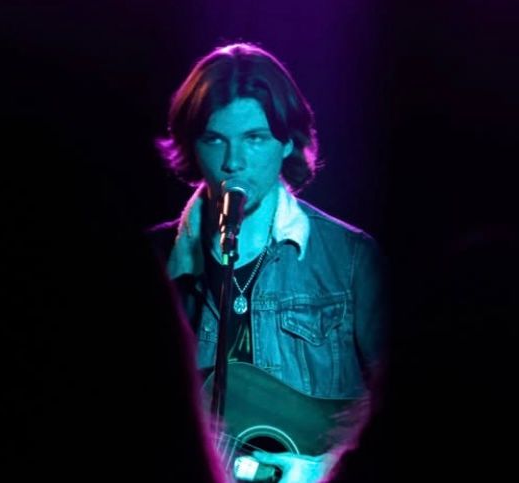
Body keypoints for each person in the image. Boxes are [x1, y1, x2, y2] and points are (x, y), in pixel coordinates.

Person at [152, 41, 387, 483]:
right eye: (214, 139)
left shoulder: (351, 258)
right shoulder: (156, 264)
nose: (233, 162)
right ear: (192, 145)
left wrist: (320, 469)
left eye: (255, 139)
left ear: (287, 143)